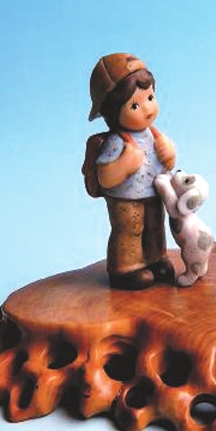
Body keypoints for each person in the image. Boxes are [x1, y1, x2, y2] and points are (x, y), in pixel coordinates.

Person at [87, 53, 177, 290]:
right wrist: (124, 165)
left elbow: (168, 163)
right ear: (112, 112)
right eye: (135, 105)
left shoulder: (154, 135)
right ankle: (126, 269)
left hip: (154, 193)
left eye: (150, 97)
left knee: (155, 225)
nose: (147, 109)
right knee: (130, 230)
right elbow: (105, 177)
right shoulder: (116, 142)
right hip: (125, 199)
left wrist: (169, 154)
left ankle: (156, 259)